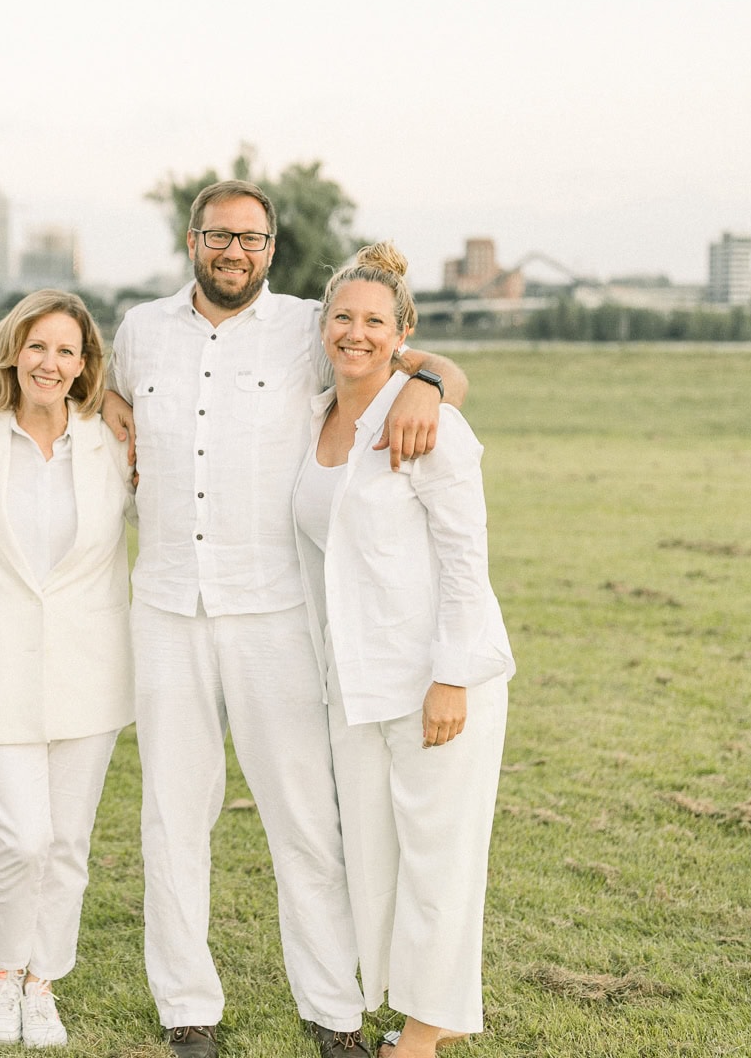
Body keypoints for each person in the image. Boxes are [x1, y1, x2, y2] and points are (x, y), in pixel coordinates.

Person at [107, 180, 469, 1058]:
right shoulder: (140, 329)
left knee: (305, 819)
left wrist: (431, 388)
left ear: (273, 248)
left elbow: (422, 362)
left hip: (273, 610)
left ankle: (332, 1012)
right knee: (171, 815)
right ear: (191, 240)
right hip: (163, 606)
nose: (235, 252)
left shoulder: (311, 327)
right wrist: (111, 409)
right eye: (218, 236)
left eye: (253, 239)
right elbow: (102, 400)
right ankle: (187, 1008)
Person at [291, 243, 514, 1058]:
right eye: (343, 318)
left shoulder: (428, 422)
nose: (356, 333)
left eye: (374, 321)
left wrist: (451, 677)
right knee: (377, 860)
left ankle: (422, 1034)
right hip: (354, 681)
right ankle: (421, 1001)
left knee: (440, 857)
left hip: (436, 679)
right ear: (322, 327)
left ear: (403, 333)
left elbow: (466, 560)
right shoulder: (312, 413)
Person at [0, 290, 135, 1050]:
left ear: (85, 364)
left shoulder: (109, 443)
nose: (50, 363)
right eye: (37, 347)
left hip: (90, 672)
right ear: (12, 352)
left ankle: (43, 979)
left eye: (66, 351)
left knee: (68, 843)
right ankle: (4, 972)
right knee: (23, 836)